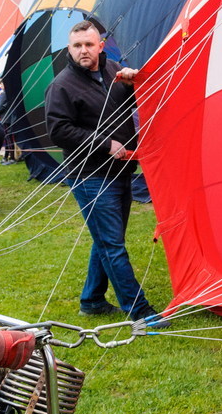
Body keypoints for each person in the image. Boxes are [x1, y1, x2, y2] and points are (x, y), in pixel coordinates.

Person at [44, 20, 165, 324]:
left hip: (121, 170)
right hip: (90, 176)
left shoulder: (113, 73)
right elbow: (58, 130)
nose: (83, 50)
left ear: (100, 45)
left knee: (107, 238)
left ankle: (92, 300)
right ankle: (139, 311)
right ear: (69, 49)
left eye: (88, 44)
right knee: (112, 244)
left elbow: (129, 107)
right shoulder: (61, 86)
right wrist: (103, 144)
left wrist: (134, 83)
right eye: (77, 46)